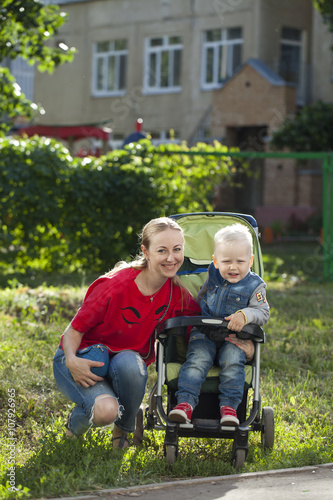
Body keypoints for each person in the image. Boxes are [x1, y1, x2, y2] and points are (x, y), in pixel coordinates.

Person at [53, 217, 201, 449]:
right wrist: (72, 360)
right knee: (105, 411)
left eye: (177, 250)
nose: (171, 258)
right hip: (83, 357)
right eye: (162, 250)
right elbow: (73, 330)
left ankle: (123, 429)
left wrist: (236, 340)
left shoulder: (176, 294)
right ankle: (73, 430)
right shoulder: (114, 286)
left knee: (132, 362)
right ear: (146, 251)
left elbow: (198, 325)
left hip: (124, 363)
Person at [168, 223, 270, 426]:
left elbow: (263, 311)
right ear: (215, 261)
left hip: (234, 338)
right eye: (226, 261)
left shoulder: (254, 285)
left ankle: (229, 408)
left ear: (250, 261)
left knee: (233, 361)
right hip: (204, 332)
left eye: (240, 261)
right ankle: (185, 404)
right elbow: (202, 296)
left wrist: (244, 314)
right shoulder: (213, 274)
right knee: (197, 360)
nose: (233, 267)